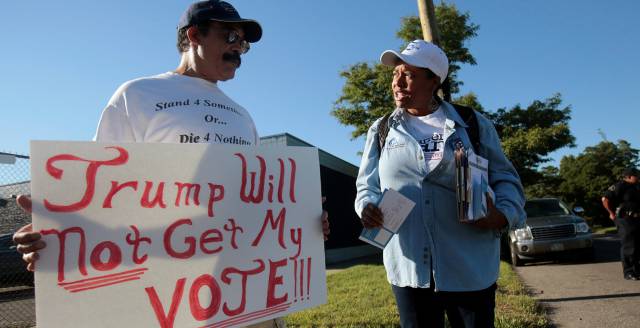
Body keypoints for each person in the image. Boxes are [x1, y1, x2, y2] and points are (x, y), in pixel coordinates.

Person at [12, 1, 329, 327]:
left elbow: (253, 200)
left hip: (244, 293)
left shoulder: (242, 116)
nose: (239, 49)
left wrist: (301, 221)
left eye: (244, 43)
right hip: (171, 296)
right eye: (231, 35)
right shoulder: (137, 94)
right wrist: (57, 235)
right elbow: (101, 187)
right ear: (194, 35)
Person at [355, 40, 525, 328]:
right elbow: (366, 186)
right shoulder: (382, 129)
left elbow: (506, 180)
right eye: (395, 74)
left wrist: (501, 215)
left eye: (407, 74)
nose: (397, 82)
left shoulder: (472, 124)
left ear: (434, 79)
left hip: (469, 267)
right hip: (409, 268)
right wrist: (366, 207)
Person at [602, 167, 640, 281]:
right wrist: (611, 213)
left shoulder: (637, 186)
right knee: (629, 245)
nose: (638, 177)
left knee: (638, 245)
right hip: (624, 219)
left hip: (637, 218)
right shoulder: (620, 186)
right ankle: (629, 271)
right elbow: (605, 199)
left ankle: (637, 269)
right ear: (628, 176)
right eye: (636, 175)